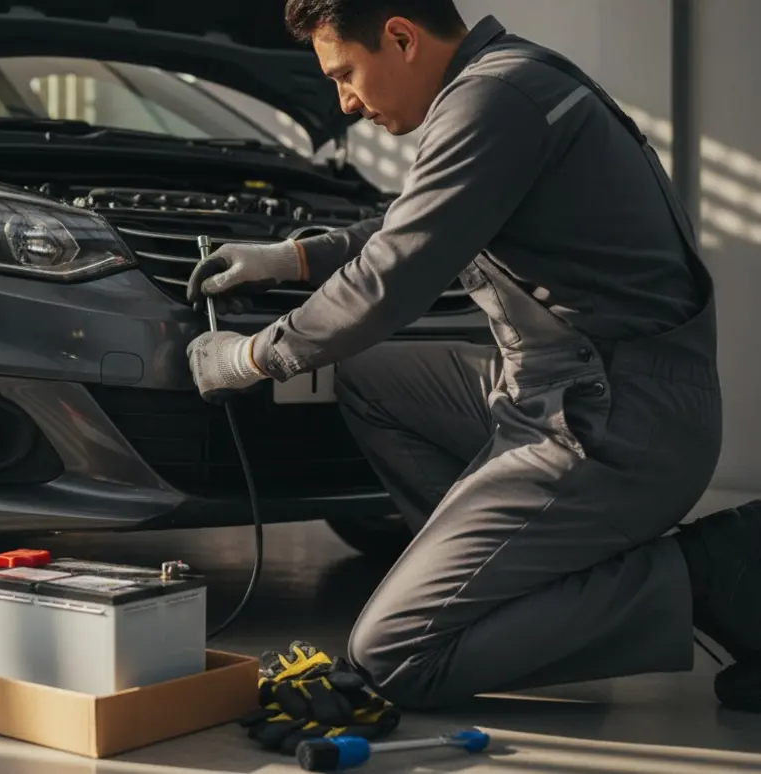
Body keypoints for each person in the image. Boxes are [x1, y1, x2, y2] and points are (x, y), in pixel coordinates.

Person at [185, 0, 758, 714]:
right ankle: (500, 576)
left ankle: (708, 575)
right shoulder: (507, 80)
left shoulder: (494, 98)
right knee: (369, 379)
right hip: (563, 383)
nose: (347, 102)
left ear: (400, 36)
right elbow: (416, 220)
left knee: (391, 658)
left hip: (612, 418)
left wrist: (250, 357)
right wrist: (293, 256)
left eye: (345, 75)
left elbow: (389, 280)